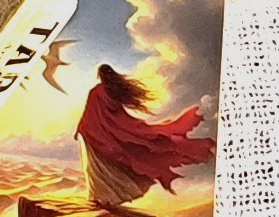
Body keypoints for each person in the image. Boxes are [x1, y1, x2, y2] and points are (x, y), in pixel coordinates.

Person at [75, 63, 215, 209]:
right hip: (105, 135)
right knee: (105, 167)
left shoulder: (96, 92)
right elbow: (112, 114)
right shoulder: (115, 91)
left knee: (95, 168)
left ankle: (100, 197)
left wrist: (79, 129)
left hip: (92, 134)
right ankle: (104, 197)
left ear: (100, 75)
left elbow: (89, 113)